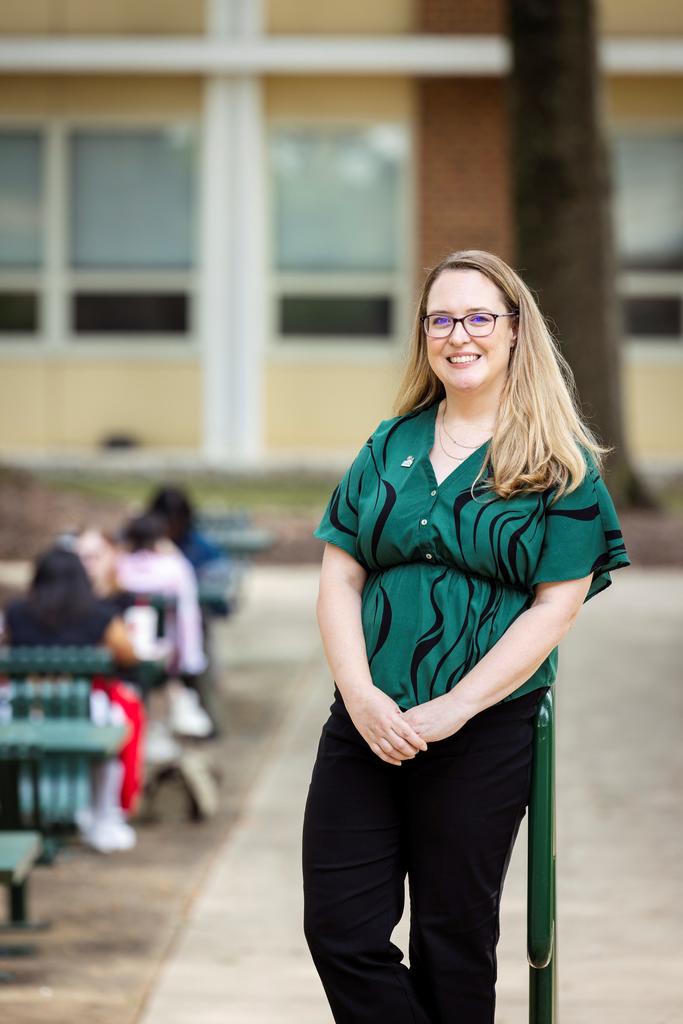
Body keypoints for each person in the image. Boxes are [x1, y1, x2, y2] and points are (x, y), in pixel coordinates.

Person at [302, 249, 631, 1024]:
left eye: (479, 317)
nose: (459, 335)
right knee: (339, 931)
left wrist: (454, 707)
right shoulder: (388, 444)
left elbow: (556, 605)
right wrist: (360, 695)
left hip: (482, 731)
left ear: (515, 330)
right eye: (440, 318)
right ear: (423, 334)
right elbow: (337, 576)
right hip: (365, 725)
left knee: (453, 941)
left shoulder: (560, 464)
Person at [3, 547, 145, 853]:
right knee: (114, 727)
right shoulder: (99, 614)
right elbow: (129, 654)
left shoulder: (16, 613)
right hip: (83, 711)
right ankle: (103, 815)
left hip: (23, 710)